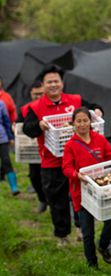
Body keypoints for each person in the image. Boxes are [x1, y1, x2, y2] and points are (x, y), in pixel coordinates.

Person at [23, 65, 103, 246]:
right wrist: (39, 125)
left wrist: (97, 111)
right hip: (52, 161)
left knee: (80, 196)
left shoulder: (75, 100)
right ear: (43, 86)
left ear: (62, 83)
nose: (53, 85)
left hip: (78, 159)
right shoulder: (35, 107)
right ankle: (62, 235)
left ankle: (81, 228)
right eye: (49, 82)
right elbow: (28, 129)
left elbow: (94, 107)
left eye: (56, 81)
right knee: (56, 199)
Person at [62, 107, 111, 268]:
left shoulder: (99, 139)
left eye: (85, 120)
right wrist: (76, 175)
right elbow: (66, 168)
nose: (82, 124)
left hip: (102, 188)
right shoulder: (70, 145)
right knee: (87, 231)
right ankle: (92, 263)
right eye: (78, 121)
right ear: (73, 123)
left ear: (90, 122)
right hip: (82, 192)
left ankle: (103, 246)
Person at [18, 81, 47, 213]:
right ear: (30, 94)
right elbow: (19, 122)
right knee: (34, 176)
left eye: (40, 94)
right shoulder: (25, 109)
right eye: (35, 94)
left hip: (49, 151)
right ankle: (42, 199)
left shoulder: (49, 106)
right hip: (33, 150)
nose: (38, 96)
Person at [0, 100, 19, 195]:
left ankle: (14, 187)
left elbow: (6, 121)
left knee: (6, 161)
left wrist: (10, 137)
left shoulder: (1, 104)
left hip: (2, 138)